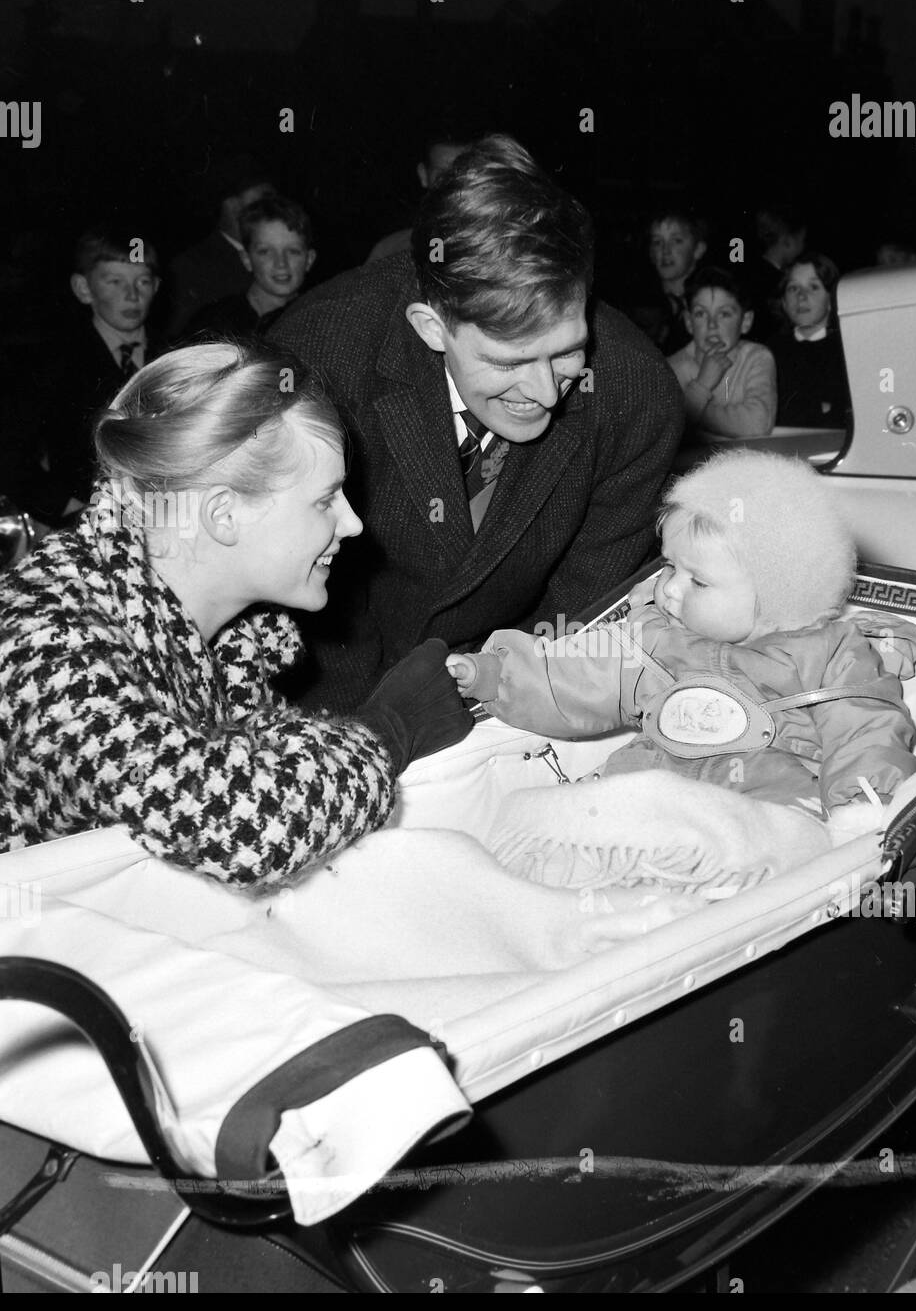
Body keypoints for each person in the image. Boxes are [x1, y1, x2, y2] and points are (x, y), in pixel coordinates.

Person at [0, 343, 473, 889]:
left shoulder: (204, 628)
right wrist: (389, 729)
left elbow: (264, 771)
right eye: (325, 500)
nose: (352, 524)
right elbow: (241, 823)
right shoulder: (47, 644)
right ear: (223, 515)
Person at [272, 133, 684, 713]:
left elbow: (579, 609)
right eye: (509, 361)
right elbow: (303, 610)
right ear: (430, 327)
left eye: (568, 352)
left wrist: (495, 702)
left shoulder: (637, 397)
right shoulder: (317, 362)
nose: (547, 393)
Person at [446, 450, 916, 813]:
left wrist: (864, 804)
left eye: (697, 580)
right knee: (572, 815)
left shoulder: (828, 654)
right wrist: (497, 675)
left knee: (782, 831)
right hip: (653, 775)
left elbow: (866, 730)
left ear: (779, 593)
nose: (668, 588)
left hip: (767, 793)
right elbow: (578, 676)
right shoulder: (654, 637)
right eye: (669, 565)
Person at [20, 226, 163, 526]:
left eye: (143, 281)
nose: (132, 295)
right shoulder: (53, 363)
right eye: (114, 281)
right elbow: (12, 452)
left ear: (157, 287)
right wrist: (67, 508)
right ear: (83, 289)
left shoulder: (174, 356)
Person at [163, 160, 275, 338]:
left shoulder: (279, 257)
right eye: (263, 201)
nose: (273, 209)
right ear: (231, 204)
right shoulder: (191, 266)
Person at [184, 195, 317, 340]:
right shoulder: (213, 322)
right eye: (265, 251)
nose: (281, 263)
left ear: (309, 259)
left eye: (293, 251)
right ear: (246, 259)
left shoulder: (317, 320)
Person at [668, 265, 776, 440]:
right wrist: (702, 385)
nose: (712, 325)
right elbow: (668, 430)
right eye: (701, 314)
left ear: (745, 321)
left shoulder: (756, 357)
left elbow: (758, 423)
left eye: (724, 314)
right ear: (688, 321)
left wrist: (691, 409)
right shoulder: (673, 367)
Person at [769, 251, 850, 429]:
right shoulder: (768, 352)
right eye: (793, 288)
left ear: (831, 300)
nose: (802, 296)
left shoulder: (847, 351)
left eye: (813, 287)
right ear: (783, 301)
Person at [366, 129, 472, 263]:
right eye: (441, 176)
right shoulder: (389, 250)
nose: (450, 184)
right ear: (423, 175)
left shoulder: (495, 244)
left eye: (460, 174)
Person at [626, 207, 709, 356]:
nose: (665, 250)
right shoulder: (639, 305)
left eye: (676, 241)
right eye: (657, 242)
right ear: (651, 252)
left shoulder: (711, 303)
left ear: (698, 249)